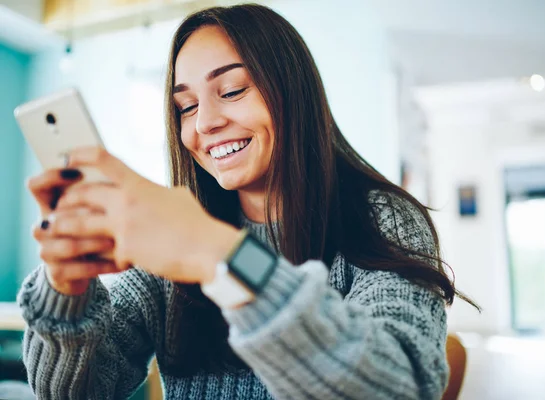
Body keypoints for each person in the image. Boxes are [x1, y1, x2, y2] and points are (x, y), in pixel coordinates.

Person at [18, 4, 476, 400]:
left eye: (232, 90)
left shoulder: (384, 220)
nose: (205, 124)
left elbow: (397, 387)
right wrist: (65, 290)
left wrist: (221, 256)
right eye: (186, 107)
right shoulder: (174, 247)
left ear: (292, 92)